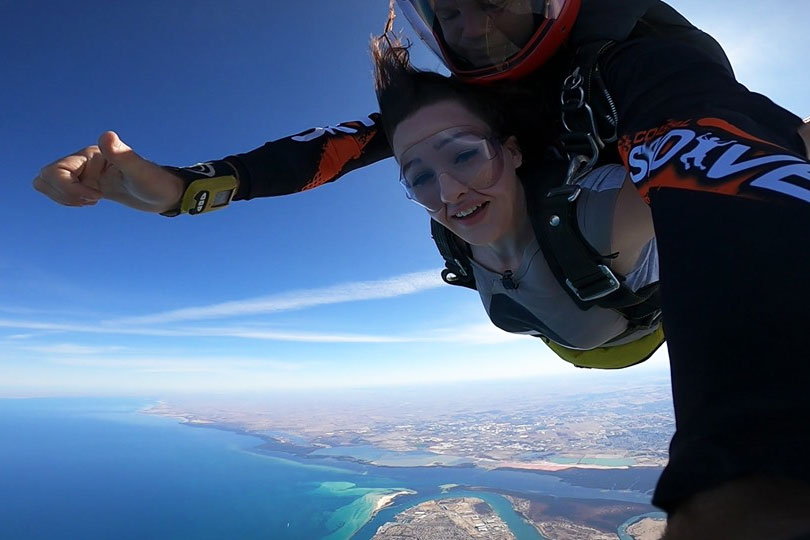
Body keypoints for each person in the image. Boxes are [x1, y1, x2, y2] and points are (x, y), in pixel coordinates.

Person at [32, 0, 810, 536]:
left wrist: (751, 471)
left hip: (622, 285)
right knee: (446, 157)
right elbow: (329, 149)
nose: (474, 25)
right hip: (564, 309)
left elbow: (717, 162)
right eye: (451, 8)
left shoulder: (644, 71)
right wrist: (177, 190)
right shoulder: (448, 113)